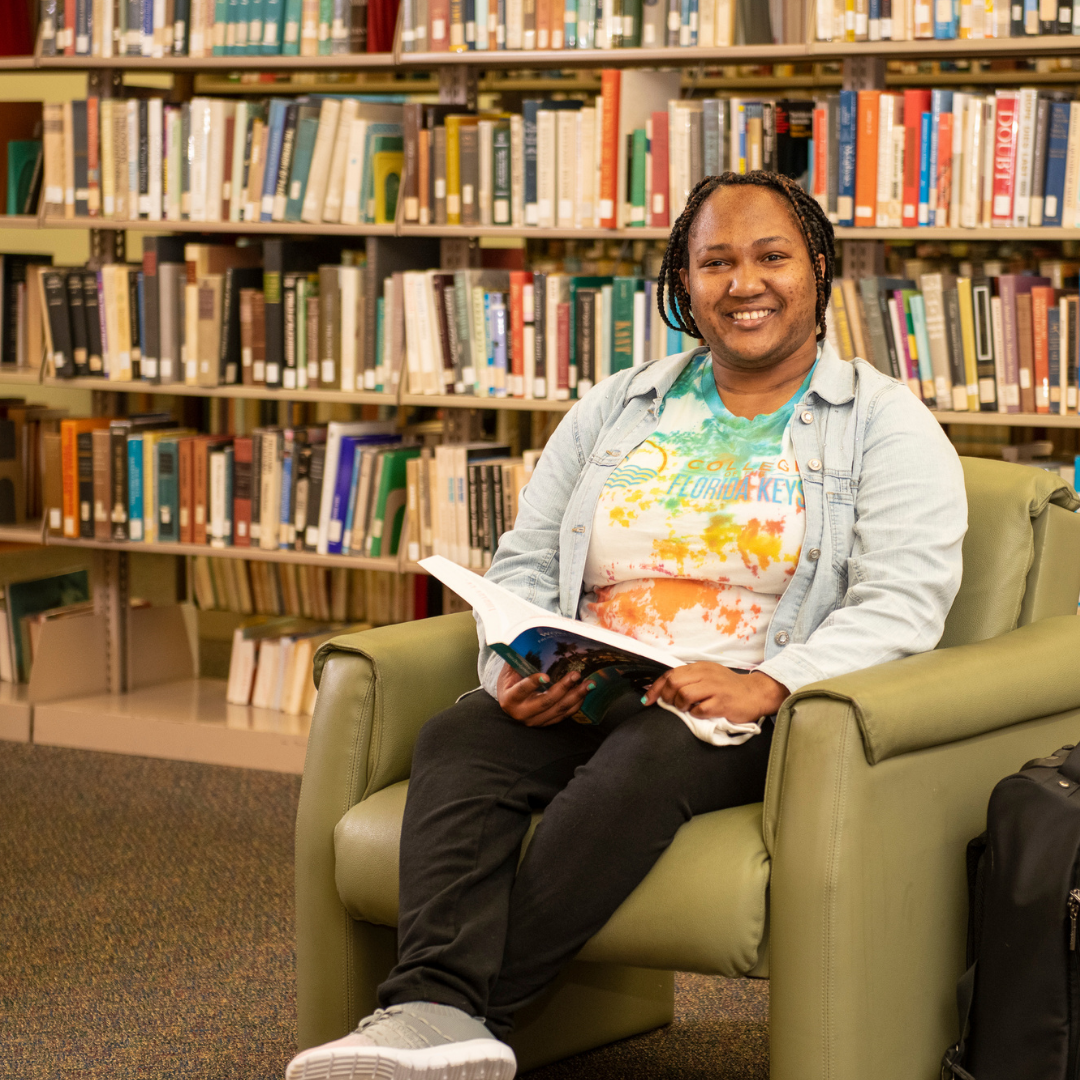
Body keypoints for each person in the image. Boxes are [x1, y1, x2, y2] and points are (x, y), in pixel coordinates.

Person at [285, 171, 967, 1080]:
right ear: (683, 284)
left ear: (817, 269)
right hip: (594, 678)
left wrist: (768, 682)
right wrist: (513, 667)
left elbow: (903, 603)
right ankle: (432, 1014)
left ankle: (454, 1022)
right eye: (714, 261)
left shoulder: (883, 425)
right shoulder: (621, 405)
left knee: (648, 758)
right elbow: (526, 558)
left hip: (746, 708)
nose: (744, 283)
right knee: (460, 737)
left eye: (771, 256)